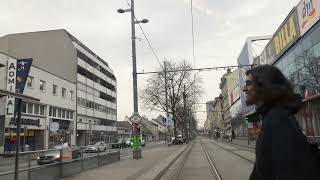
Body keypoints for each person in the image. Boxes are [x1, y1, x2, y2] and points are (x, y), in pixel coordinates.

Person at [243, 65, 319, 180]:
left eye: (248, 83)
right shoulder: (273, 117)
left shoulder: (278, 120)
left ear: (263, 85)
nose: (244, 88)